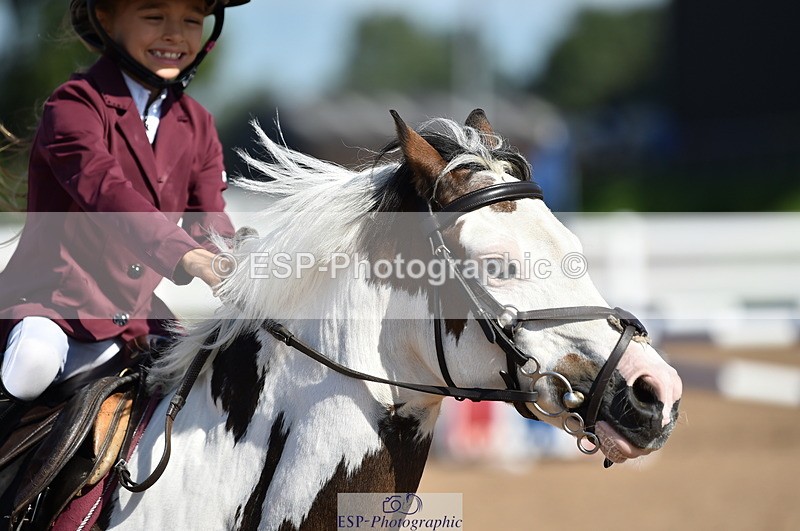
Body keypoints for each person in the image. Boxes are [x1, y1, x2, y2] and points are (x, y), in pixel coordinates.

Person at [0, 0, 250, 425]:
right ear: (107, 18)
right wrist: (186, 255)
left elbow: (208, 216)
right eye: (154, 17)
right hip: (55, 305)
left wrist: (234, 258)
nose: (175, 34)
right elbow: (108, 193)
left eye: (192, 20)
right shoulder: (73, 105)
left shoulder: (199, 124)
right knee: (31, 367)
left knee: (211, 383)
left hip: (135, 315)